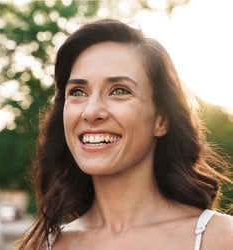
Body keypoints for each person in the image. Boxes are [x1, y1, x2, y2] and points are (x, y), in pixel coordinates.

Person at [18, 19, 233, 249]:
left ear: (161, 119)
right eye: (78, 92)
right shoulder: (45, 246)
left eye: (119, 91)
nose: (91, 112)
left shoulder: (221, 238)